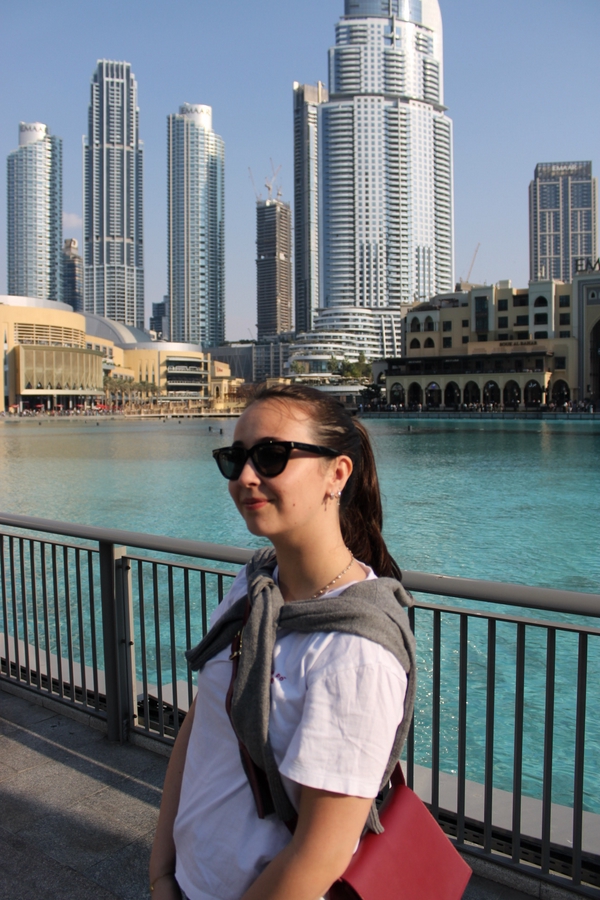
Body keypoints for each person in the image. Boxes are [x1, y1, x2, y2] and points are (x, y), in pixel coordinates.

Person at [149, 383, 416, 900]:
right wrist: (162, 870)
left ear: (337, 474)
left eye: (272, 456)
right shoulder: (253, 587)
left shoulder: (356, 651)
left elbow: (321, 853)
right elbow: (203, 724)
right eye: (236, 458)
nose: (247, 477)